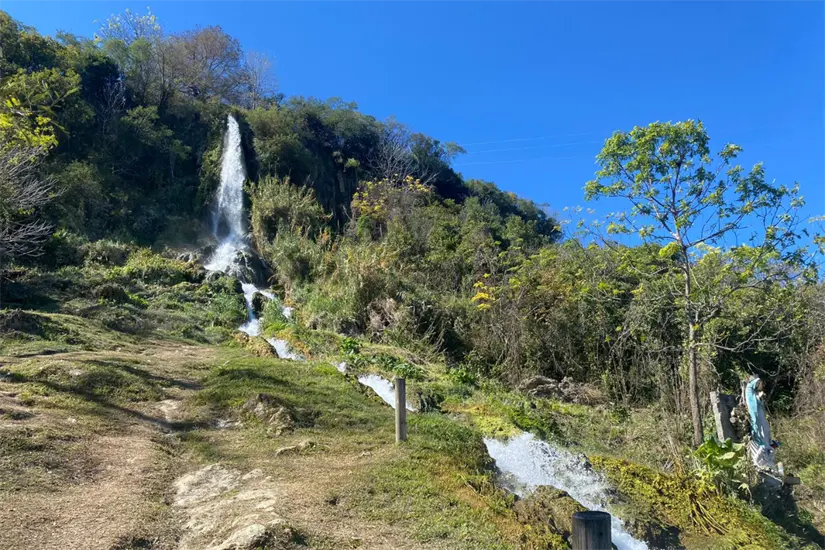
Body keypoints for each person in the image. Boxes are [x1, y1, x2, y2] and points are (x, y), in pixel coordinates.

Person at [744, 376, 781, 473]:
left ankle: (752, 384)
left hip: (760, 433)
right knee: (761, 425)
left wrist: (765, 448)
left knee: (761, 423)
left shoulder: (762, 463)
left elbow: (756, 460)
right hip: (762, 432)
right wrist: (772, 447)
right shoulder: (769, 462)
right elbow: (771, 453)